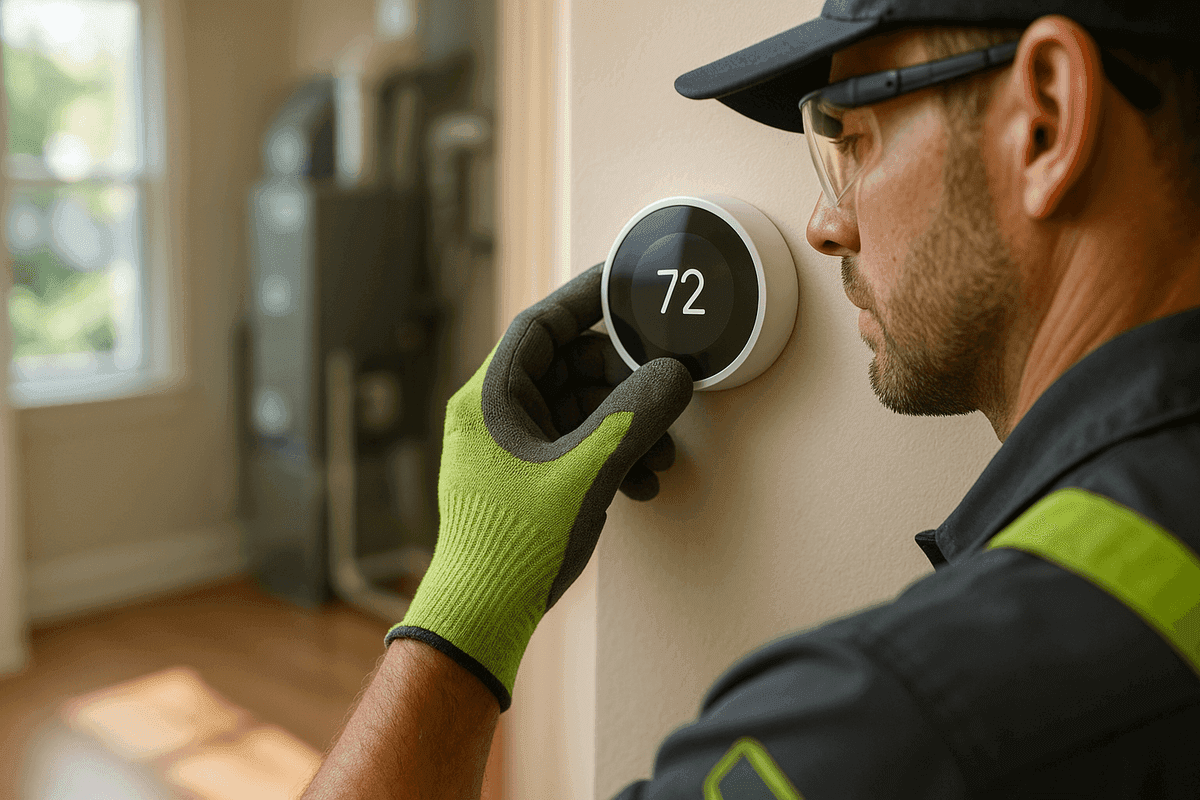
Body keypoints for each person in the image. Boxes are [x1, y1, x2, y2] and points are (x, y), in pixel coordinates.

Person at [301, 0, 1200, 796]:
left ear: (1044, 119)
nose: (824, 221)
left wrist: (467, 600)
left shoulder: (889, 726)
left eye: (851, 135)